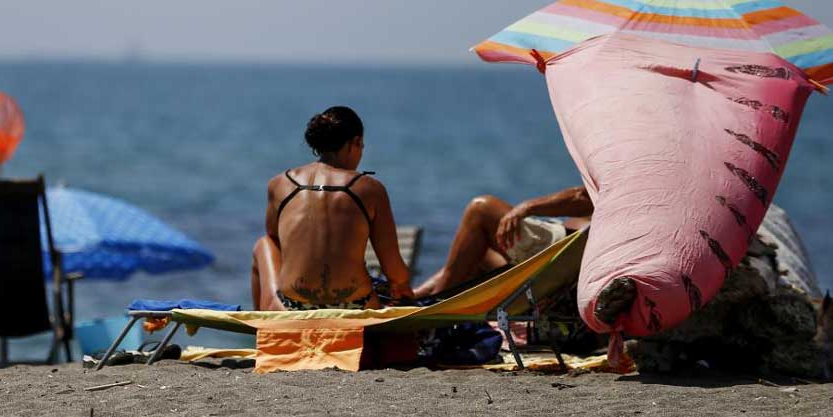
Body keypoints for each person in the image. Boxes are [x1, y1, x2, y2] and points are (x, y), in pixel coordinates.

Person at [252, 106, 412, 310]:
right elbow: (395, 271)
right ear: (355, 142)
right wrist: (403, 288)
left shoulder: (280, 183)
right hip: (354, 307)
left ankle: (262, 327)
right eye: (362, 146)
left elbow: (276, 239)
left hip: (293, 309)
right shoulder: (370, 189)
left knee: (264, 243)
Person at [415, 185, 593, 297]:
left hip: (568, 263)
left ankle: (429, 313)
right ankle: (417, 298)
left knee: (482, 209)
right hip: (571, 259)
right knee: (475, 250)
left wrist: (527, 207)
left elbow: (584, 197)